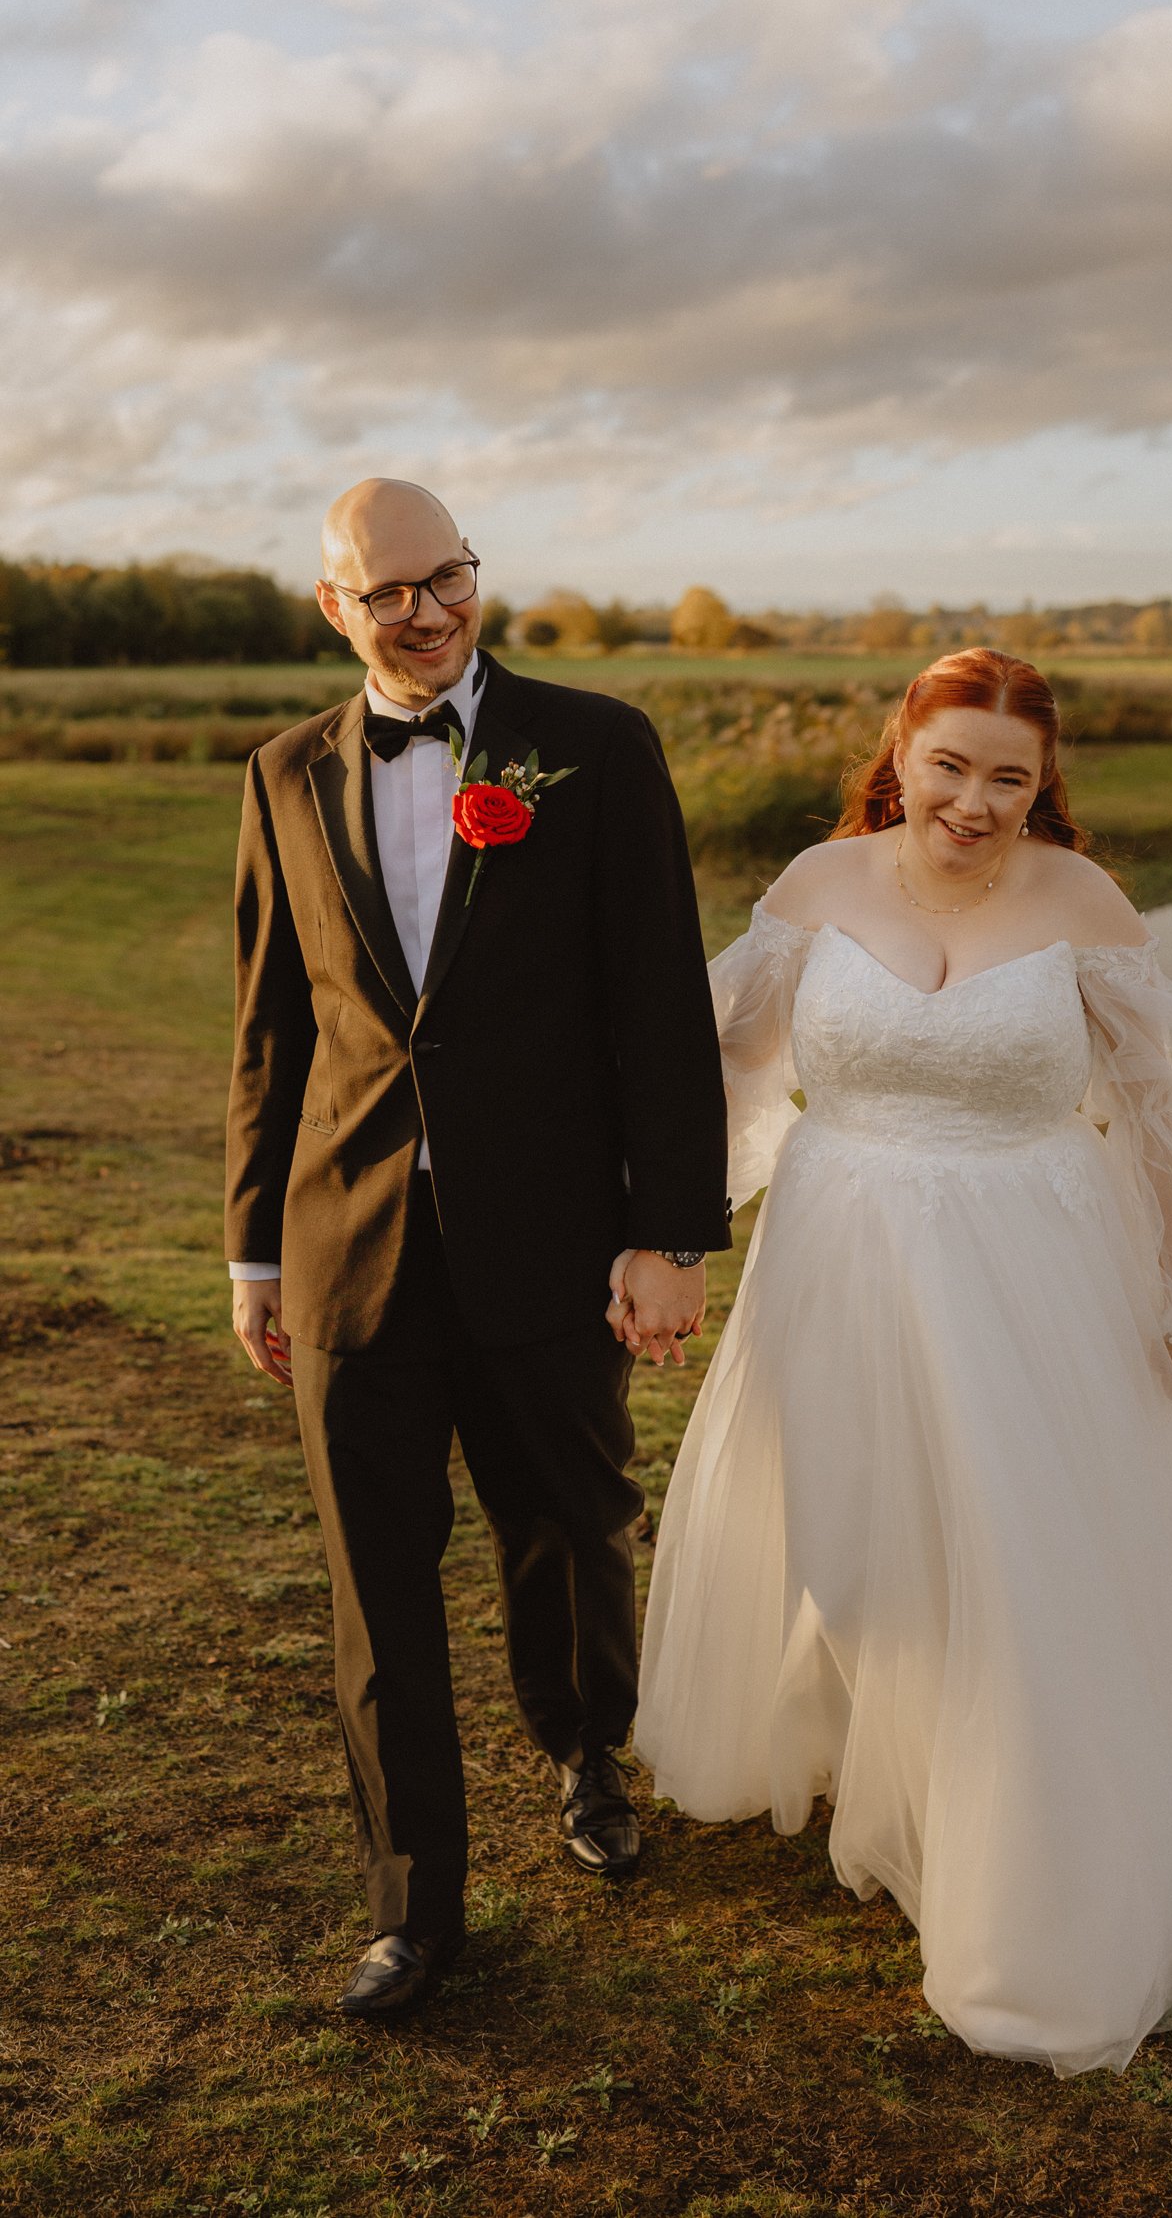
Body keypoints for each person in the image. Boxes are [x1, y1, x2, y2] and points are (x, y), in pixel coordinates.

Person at [634, 648, 1172, 2076]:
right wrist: (659, 1217)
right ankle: (883, 1738)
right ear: (902, 752)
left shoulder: (1081, 905)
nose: (974, 803)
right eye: (951, 766)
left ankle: (1020, 1844)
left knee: (1015, 1553)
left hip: (1030, 1261)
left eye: (1010, 778)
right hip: (841, 1245)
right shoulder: (816, 886)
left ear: (1044, 786)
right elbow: (714, 1050)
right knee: (855, 1541)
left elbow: (1157, 1114)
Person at [225, 477, 729, 2019]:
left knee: (569, 1529)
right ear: (335, 609)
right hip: (347, 1247)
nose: (428, 611)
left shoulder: (597, 744)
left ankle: (587, 1752)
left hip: (554, 1237)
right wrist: (254, 1249)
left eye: (447, 576)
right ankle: (412, 1910)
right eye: (389, 593)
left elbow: (661, 1003)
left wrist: (670, 1232)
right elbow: (269, 1026)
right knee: (377, 1586)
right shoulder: (283, 774)